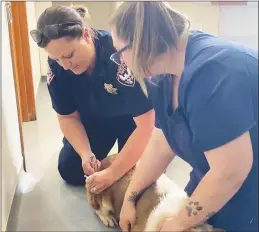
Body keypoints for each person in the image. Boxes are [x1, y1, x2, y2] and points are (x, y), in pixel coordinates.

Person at [109, 2, 258, 232]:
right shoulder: (161, 77)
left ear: (141, 44)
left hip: (249, 196)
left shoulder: (213, 74)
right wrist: (131, 197)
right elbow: (161, 142)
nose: (122, 62)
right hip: (212, 178)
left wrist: (177, 224)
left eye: (120, 53)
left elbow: (230, 172)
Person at [30, 5, 154, 194]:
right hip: (95, 120)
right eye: (56, 59)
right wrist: (85, 153)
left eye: (68, 55)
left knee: (138, 175)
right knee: (71, 170)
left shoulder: (119, 55)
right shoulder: (57, 67)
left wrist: (112, 172)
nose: (65, 65)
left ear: (86, 35)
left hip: (133, 120)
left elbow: (146, 124)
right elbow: (67, 117)